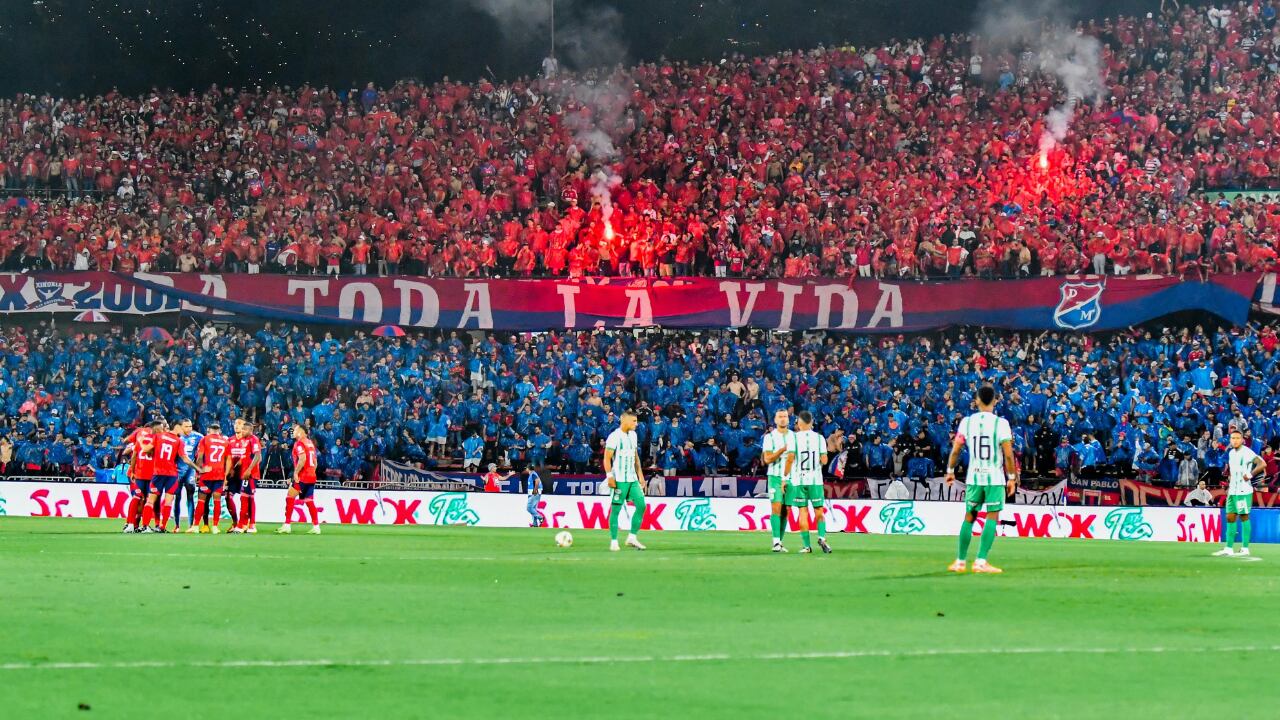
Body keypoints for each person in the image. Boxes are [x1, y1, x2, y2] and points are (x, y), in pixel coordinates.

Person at [945, 385, 1017, 574]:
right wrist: (1012, 478)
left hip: (974, 477)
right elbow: (1008, 455)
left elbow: (956, 449)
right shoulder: (1001, 423)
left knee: (969, 516)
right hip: (994, 478)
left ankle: (960, 561)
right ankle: (981, 561)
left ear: (976, 401)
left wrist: (950, 471)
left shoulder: (967, 422)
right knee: (992, 515)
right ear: (995, 401)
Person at [1214, 429, 1264, 557]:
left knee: (1243, 517)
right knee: (1230, 517)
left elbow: (1262, 464)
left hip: (1243, 491)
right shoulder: (1231, 453)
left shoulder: (1247, 452)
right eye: (1233, 438)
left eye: (1237, 438)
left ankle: (1245, 548)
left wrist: (1250, 475)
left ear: (1242, 440)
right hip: (1233, 491)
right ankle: (1229, 548)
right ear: (1230, 440)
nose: (1235, 440)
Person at [142, 419, 198, 532]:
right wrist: (199, 469)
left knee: (150, 500)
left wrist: (142, 442)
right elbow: (185, 459)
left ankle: (145, 526)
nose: (186, 430)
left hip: (158, 473)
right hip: (172, 474)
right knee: (169, 501)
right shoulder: (179, 441)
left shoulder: (158, 436)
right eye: (184, 427)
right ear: (177, 426)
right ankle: (162, 527)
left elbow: (145, 449)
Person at [787, 410, 830, 554]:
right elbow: (824, 460)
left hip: (799, 480)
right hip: (815, 480)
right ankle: (822, 538)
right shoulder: (819, 438)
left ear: (799, 423)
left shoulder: (793, 438)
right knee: (819, 510)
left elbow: (790, 458)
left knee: (803, 512)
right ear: (811, 422)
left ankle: (806, 546)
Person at [604, 410, 646, 551]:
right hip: (619, 479)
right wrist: (609, 476)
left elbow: (635, 456)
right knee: (616, 509)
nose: (636, 424)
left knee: (641, 505)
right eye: (634, 421)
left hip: (632, 478)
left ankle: (632, 537)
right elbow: (606, 458)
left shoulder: (633, 435)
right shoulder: (614, 436)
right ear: (624, 420)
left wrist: (640, 475)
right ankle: (614, 541)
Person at [760, 408, 796, 552]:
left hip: (791, 477)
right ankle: (775, 542)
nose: (782, 419)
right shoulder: (769, 437)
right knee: (776, 507)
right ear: (775, 420)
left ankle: (780, 542)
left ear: (788, 419)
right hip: (775, 476)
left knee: (786, 510)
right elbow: (767, 459)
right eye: (780, 416)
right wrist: (782, 450)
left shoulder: (794, 436)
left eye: (785, 416)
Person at [278, 424, 321, 535]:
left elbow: (302, 459)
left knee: (290, 497)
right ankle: (316, 527)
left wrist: (296, 473)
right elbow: (315, 462)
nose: (293, 431)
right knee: (309, 501)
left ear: (301, 431)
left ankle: (287, 525)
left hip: (303, 476)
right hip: (311, 476)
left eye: (296, 429)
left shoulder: (299, 443)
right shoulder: (310, 443)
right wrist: (312, 472)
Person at [189, 422, 230, 534]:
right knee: (217, 500)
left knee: (201, 501)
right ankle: (215, 527)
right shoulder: (225, 442)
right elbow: (228, 460)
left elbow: (200, 457)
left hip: (207, 473)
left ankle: (196, 526)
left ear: (209, 430)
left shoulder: (205, 439)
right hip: (219, 474)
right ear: (219, 431)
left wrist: (199, 471)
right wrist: (225, 475)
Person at [227, 418, 263, 533]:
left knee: (245, 498)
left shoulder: (253, 439)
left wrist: (249, 470)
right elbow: (245, 458)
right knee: (248, 498)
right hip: (245, 473)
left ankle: (242, 525)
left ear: (250, 430)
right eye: (241, 429)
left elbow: (258, 456)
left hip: (250, 474)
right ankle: (250, 525)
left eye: (244, 429)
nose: (242, 431)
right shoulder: (245, 440)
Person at [121, 422, 156, 533]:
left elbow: (126, 444)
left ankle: (132, 524)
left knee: (140, 498)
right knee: (142, 499)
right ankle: (134, 524)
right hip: (142, 474)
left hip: (140, 473)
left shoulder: (140, 436)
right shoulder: (157, 438)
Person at [173, 419, 203, 531]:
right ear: (181, 427)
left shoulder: (198, 437)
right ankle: (177, 525)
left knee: (190, 497)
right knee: (177, 497)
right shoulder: (177, 437)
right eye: (186, 426)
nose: (189, 429)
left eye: (190, 426)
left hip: (190, 471)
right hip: (178, 471)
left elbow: (203, 451)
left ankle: (191, 525)